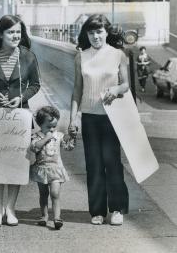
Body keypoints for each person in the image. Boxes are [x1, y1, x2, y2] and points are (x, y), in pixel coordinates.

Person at [69, 14, 129, 226]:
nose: (95, 36)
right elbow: (77, 90)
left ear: (106, 32)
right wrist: (73, 119)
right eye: (91, 32)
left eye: (99, 32)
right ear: (86, 34)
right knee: (93, 164)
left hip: (112, 117)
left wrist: (115, 88)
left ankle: (116, 209)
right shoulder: (81, 57)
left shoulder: (118, 55)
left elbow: (126, 85)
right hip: (89, 118)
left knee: (112, 163)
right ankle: (97, 210)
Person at [0, 15, 41, 227]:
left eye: (18, 32)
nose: (16, 36)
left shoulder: (28, 57)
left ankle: (11, 208)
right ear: (0, 34)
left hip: (20, 116)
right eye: (11, 32)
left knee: (16, 162)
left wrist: (22, 97)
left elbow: (35, 84)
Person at [30, 106, 70, 230]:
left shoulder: (58, 135)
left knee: (55, 193)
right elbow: (34, 148)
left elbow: (68, 147)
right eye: (49, 127)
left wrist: (71, 137)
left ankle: (57, 217)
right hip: (42, 169)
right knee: (43, 194)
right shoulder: (36, 136)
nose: (52, 129)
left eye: (54, 126)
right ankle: (44, 215)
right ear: (40, 124)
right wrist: (46, 138)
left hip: (56, 169)